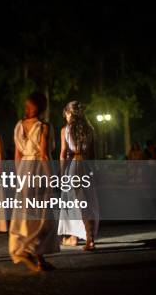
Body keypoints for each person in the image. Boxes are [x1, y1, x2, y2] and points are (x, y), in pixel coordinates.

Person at [9, 92, 59, 271]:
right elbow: (44, 155)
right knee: (42, 214)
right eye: (27, 106)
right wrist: (51, 178)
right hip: (39, 169)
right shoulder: (44, 126)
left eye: (30, 106)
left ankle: (35, 256)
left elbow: (17, 156)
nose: (27, 109)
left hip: (24, 170)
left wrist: (19, 177)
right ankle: (32, 252)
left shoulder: (19, 126)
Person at [57, 101, 99, 251]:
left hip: (74, 166)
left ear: (70, 113)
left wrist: (62, 173)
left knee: (77, 202)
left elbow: (63, 154)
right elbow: (93, 153)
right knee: (86, 200)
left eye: (67, 113)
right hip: (87, 166)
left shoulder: (65, 130)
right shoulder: (90, 129)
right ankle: (76, 236)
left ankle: (89, 239)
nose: (66, 116)